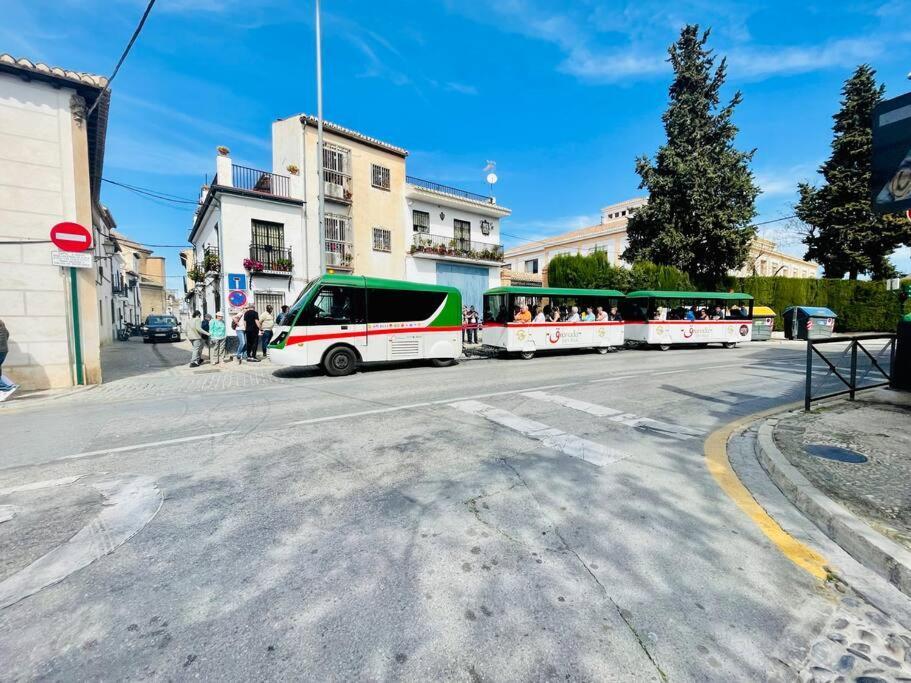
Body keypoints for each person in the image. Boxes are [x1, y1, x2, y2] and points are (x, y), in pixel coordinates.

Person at [0, 318, 18, 394]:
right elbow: (7, 334)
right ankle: (9, 385)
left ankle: (6, 387)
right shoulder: (2, 324)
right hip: (4, 350)